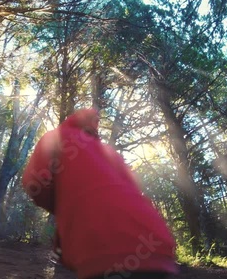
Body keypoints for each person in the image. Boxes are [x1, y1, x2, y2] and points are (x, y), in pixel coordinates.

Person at [22, 109, 177, 279]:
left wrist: (61, 206)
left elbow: (34, 183)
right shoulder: (109, 153)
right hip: (156, 242)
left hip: (102, 248)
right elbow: (134, 188)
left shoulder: (56, 137)